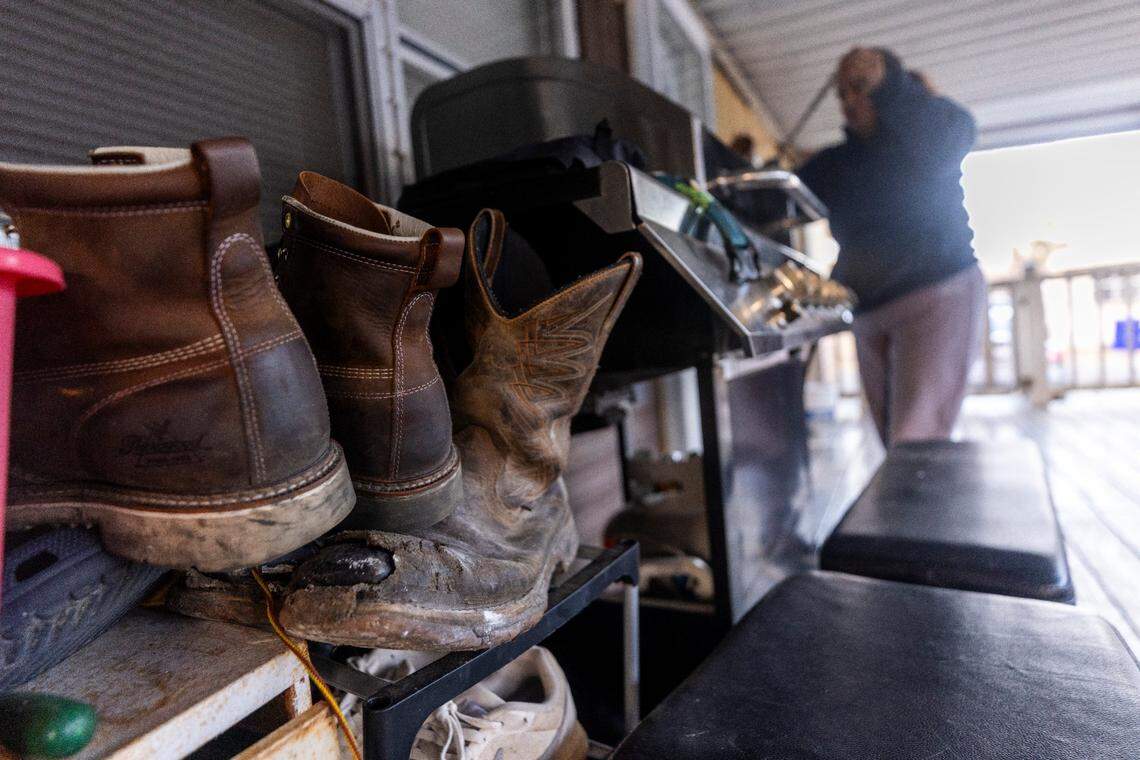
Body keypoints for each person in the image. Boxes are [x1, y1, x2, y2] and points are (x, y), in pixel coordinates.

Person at [797, 47, 986, 447]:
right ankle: (912, 508)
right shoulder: (836, 163)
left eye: (859, 90)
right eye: (843, 94)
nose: (848, 101)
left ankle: (923, 510)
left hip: (937, 295)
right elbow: (782, 195)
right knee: (892, 441)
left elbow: (952, 133)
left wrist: (886, 83)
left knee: (916, 439)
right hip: (871, 308)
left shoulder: (935, 133)